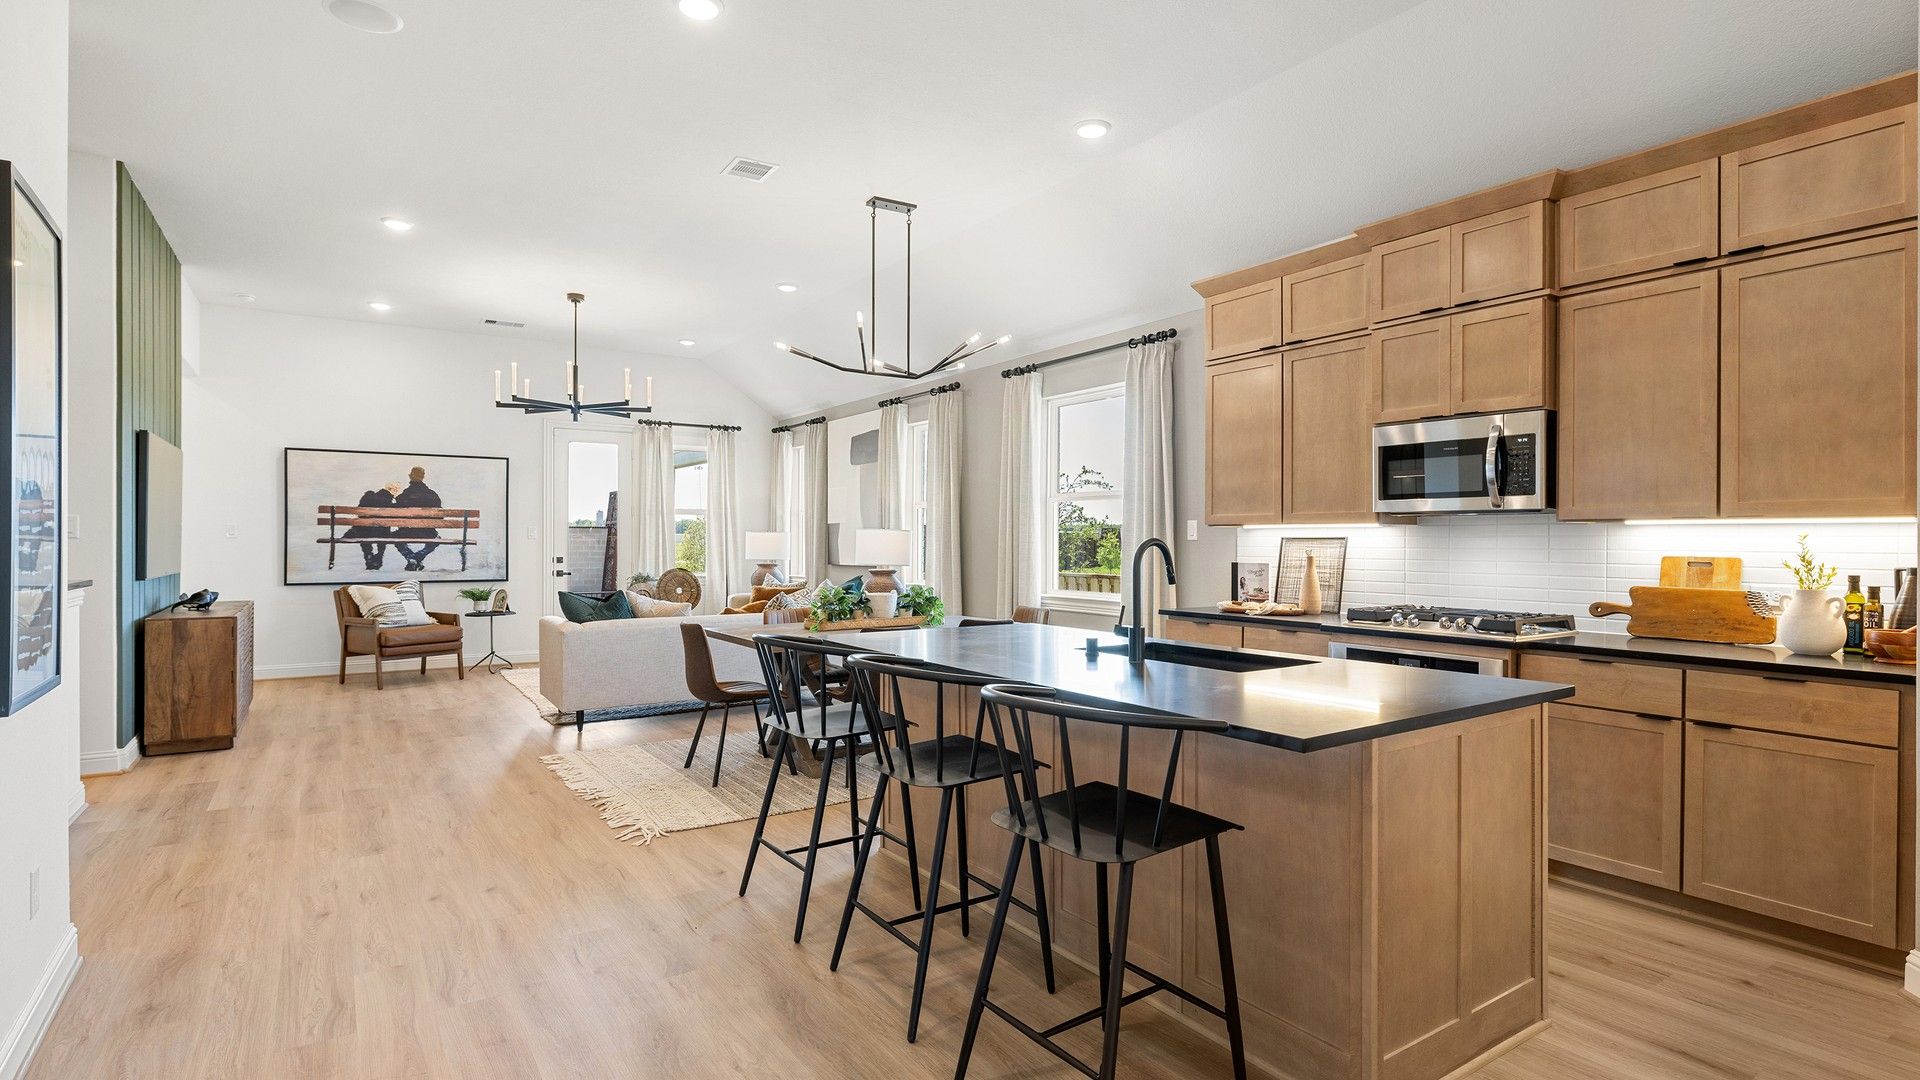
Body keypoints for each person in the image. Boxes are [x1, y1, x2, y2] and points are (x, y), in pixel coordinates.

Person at [392, 466, 444, 572]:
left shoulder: (403, 496)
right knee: (437, 539)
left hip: (405, 532)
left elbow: (395, 514)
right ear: (423, 477)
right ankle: (419, 556)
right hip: (427, 533)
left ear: (410, 476)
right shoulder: (432, 495)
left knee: (394, 537)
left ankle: (411, 557)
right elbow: (440, 516)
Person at [344, 482, 400, 571]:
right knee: (383, 529)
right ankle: (379, 556)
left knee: (364, 529)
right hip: (381, 534)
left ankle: (368, 555)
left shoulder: (368, 496)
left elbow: (359, 513)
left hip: (363, 532)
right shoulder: (389, 504)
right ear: (393, 491)